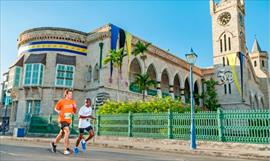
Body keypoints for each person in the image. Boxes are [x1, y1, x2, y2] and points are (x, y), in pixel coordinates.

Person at [51, 89, 76, 155]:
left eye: (71, 94)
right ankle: (65, 149)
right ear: (66, 94)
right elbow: (56, 108)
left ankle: (54, 143)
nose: (71, 95)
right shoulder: (62, 101)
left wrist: (74, 110)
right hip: (62, 120)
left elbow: (73, 112)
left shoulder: (73, 102)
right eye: (70, 94)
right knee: (67, 132)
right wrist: (59, 112)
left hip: (68, 120)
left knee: (61, 134)